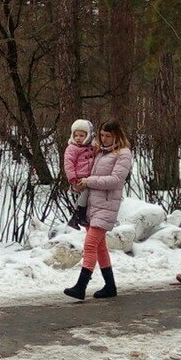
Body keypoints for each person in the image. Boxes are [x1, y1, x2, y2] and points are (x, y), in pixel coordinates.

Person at [63, 119, 133, 300]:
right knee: (100, 247)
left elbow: (116, 180)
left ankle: (81, 286)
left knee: (90, 244)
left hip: (107, 205)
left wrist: (89, 181)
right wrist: (77, 184)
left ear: (117, 135)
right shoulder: (99, 152)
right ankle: (110, 286)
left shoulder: (123, 154)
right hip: (92, 205)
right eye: (102, 135)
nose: (104, 138)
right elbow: (85, 171)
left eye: (108, 136)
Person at [64, 119, 96, 230]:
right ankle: (80, 214)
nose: (78, 138)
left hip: (89, 177)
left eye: (82, 135)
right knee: (86, 192)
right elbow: (68, 164)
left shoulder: (91, 147)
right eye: (76, 135)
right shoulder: (72, 148)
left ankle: (74, 218)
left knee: (87, 195)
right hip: (78, 177)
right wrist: (72, 178)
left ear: (88, 136)